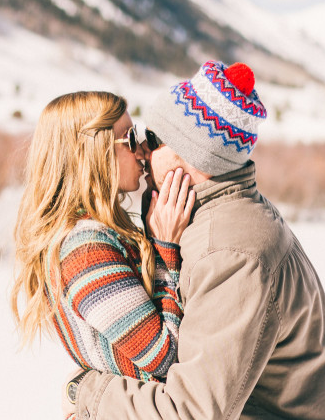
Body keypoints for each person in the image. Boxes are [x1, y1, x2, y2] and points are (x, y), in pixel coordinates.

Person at [63, 61, 325, 420]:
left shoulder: (230, 253)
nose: (141, 151)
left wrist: (87, 391)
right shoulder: (212, 221)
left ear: (192, 155)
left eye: (153, 139)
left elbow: (188, 412)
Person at [10, 92, 196, 403]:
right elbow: (165, 359)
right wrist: (166, 250)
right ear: (93, 151)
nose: (141, 151)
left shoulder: (96, 235)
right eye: (128, 138)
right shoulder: (85, 251)